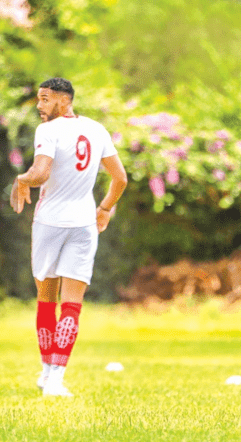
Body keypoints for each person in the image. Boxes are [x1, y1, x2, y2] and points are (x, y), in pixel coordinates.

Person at [10, 77, 127, 397]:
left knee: (47, 299)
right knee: (72, 304)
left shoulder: (47, 131)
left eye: (45, 99)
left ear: (63, 101)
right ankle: (56, 380)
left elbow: (40, 174)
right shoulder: (97, 129)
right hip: (84, 224)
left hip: (49, 223)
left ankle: (48, 373)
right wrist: (104, 208)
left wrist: (22, 180)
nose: (39, 105)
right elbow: (120, 178)